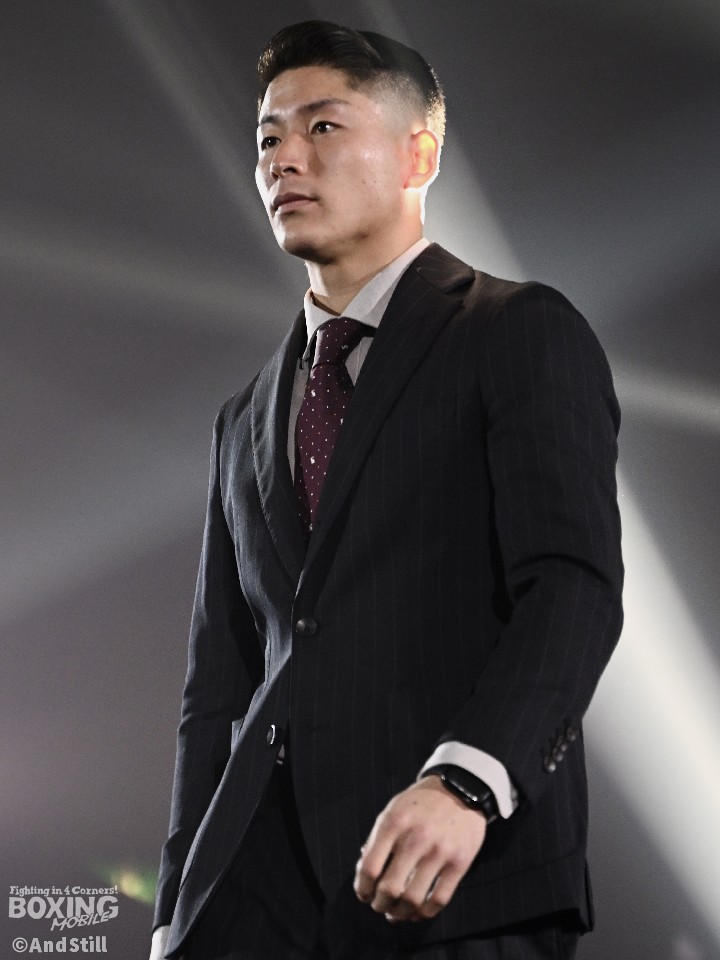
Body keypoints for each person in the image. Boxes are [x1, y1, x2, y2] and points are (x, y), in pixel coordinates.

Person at [149, 20, 623, 960]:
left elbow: (571, 587)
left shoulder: (516, 330)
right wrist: (175, 913)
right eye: (268, 137)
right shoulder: (241, 419)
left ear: (420, 155)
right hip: (255, 909)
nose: (284, 157)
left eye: (322, 126)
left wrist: (469, 780)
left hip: (454, 880)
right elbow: (218, 691)